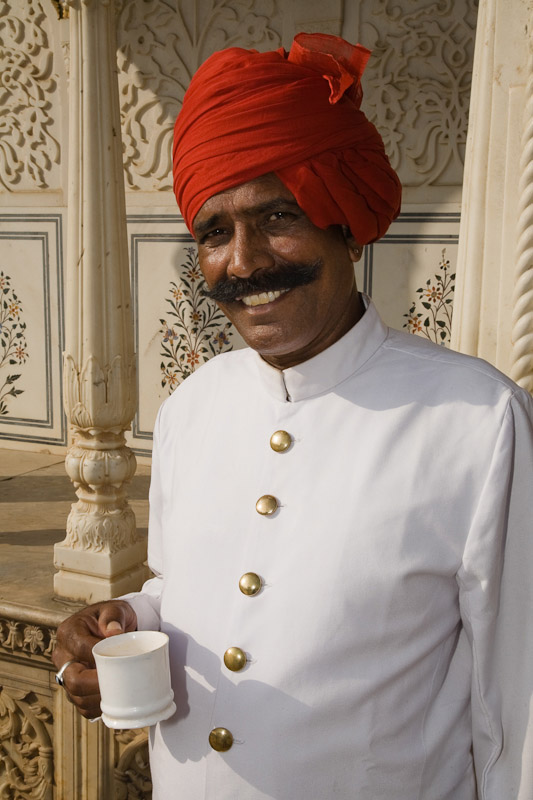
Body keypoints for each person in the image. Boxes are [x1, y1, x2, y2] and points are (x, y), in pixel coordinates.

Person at [52, 33, 533, 799]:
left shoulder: (475, 421)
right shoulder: (192, 408)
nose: (242, 262)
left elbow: (517, 702)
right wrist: (124, 615)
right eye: (214, 232)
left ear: (345, 222)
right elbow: (195, 586)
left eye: (277, 214)